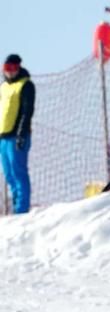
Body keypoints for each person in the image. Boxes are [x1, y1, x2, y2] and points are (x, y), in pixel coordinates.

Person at [0, 54, 35, 214]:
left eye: (13, 68)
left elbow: (27, 111)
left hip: (17, 135)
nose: (10, 72)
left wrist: (22, 132)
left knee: (18, 171)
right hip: (4, 137)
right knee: (9, 174)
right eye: (7, 69)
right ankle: (16, 207)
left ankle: (22, 210)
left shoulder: (25, 85)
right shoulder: (3, 87)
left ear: (19, 68)